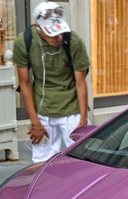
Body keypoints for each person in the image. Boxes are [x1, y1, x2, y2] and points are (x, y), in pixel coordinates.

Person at [13, 1, 90, 164]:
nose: (57, 37)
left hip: (72, 107)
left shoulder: (73, 41)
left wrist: (83, 121)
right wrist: (35, 122)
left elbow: (81, 83)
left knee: (83, 159)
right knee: (42, 163)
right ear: (38, 27)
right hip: (42, 107)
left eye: (59, 32)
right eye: (51, 33)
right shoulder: (24, 42)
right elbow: (25, 83)